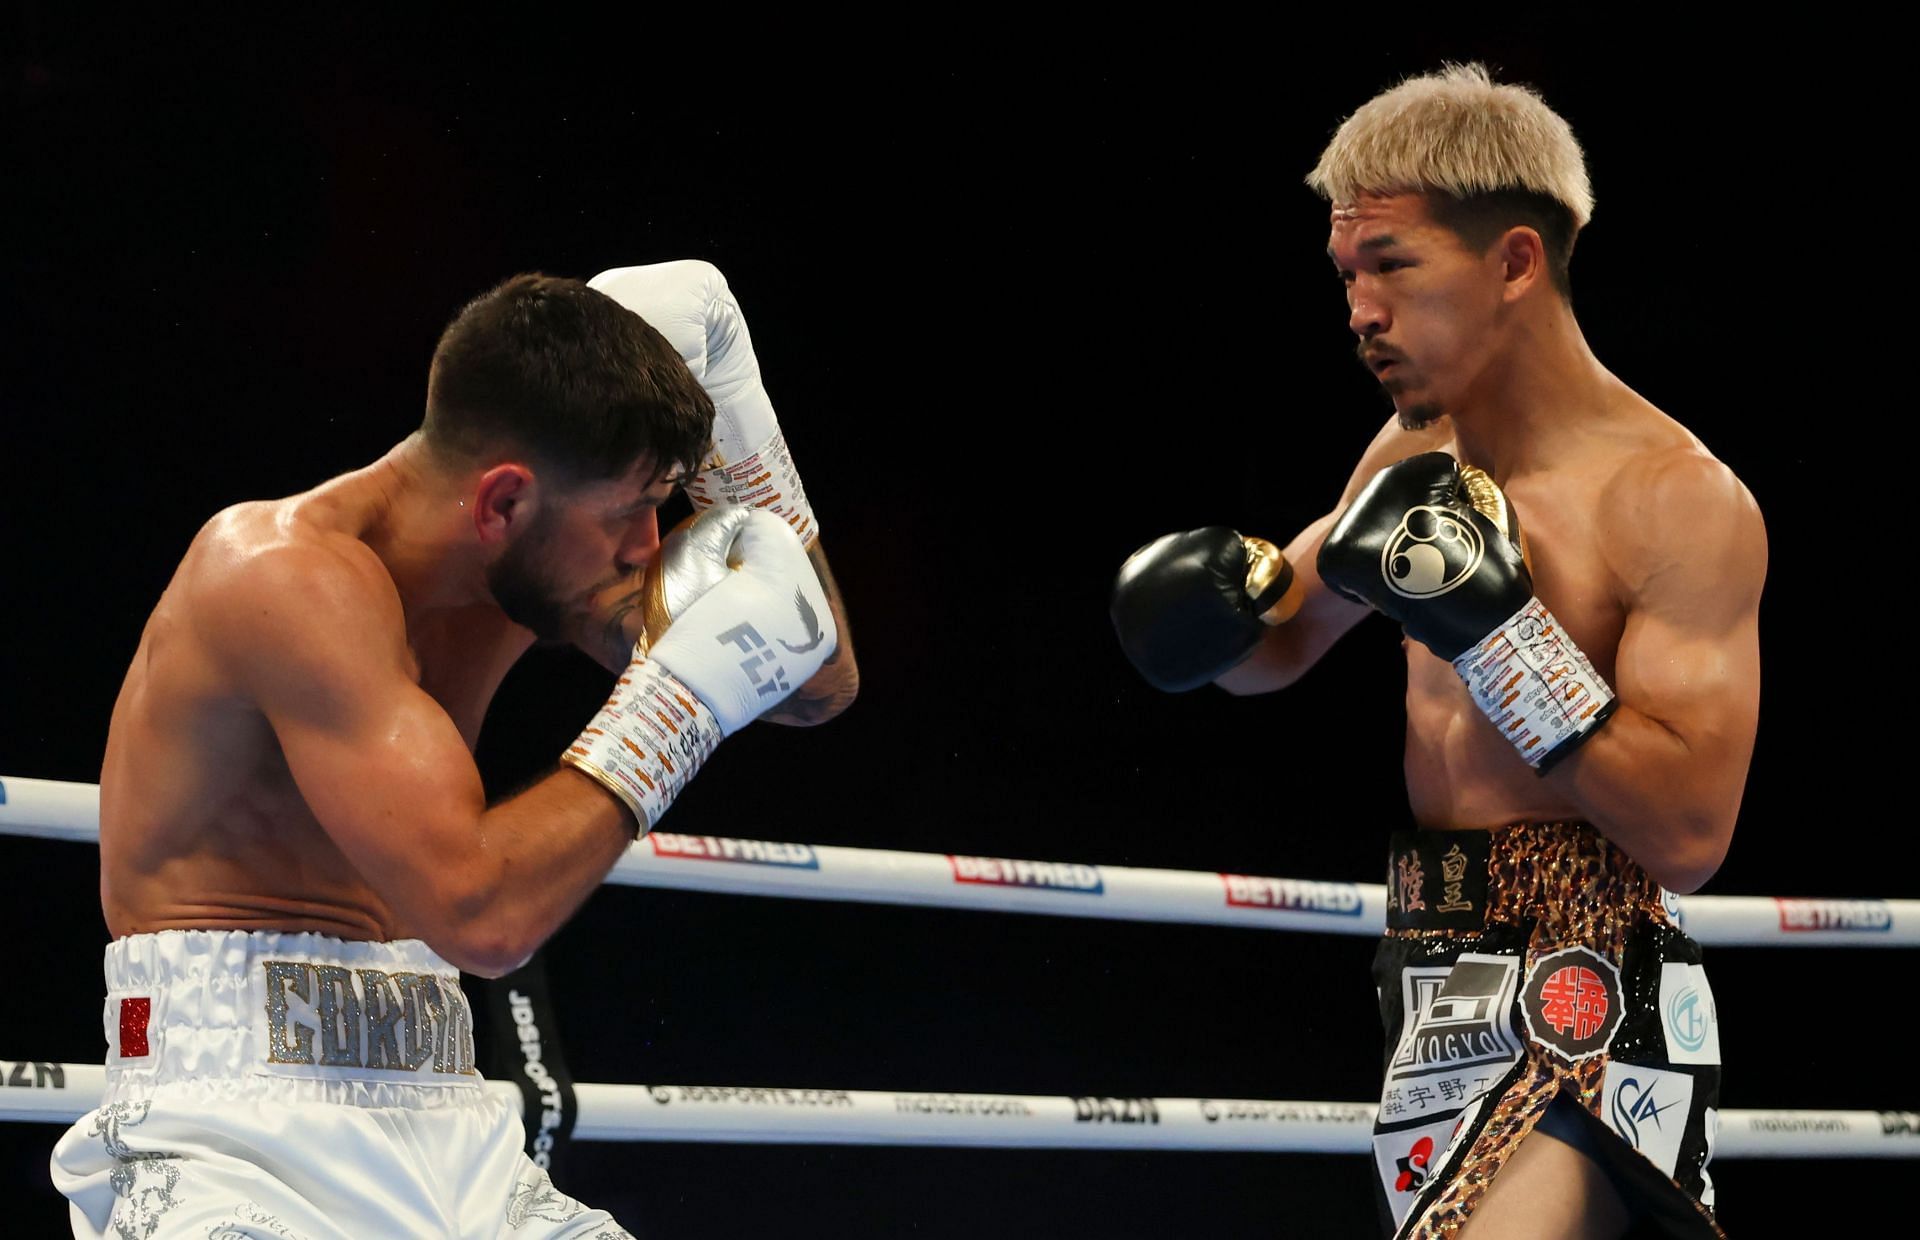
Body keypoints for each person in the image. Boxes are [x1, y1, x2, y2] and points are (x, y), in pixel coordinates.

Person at [51, 261, 858, 1237]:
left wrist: (743, 436)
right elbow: (483, 913)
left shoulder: (531, 568)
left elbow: (813, 678)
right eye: (627, 512)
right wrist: (679, 697)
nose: (650, 545)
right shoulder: (277, 578)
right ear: (502, 503)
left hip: (451, 1119)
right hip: (232, 1134)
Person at [1111, 64, 1762, 1239]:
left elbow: (1689, 832)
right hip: (1430, 954)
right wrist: (1202, 625)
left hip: (1586, 966)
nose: (1359, 310)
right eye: (1346, 275)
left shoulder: (1677, 500)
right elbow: (1283, 641)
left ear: (1515, 262)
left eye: (1392, 268)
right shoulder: (1412, 456)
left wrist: (1502, 634)